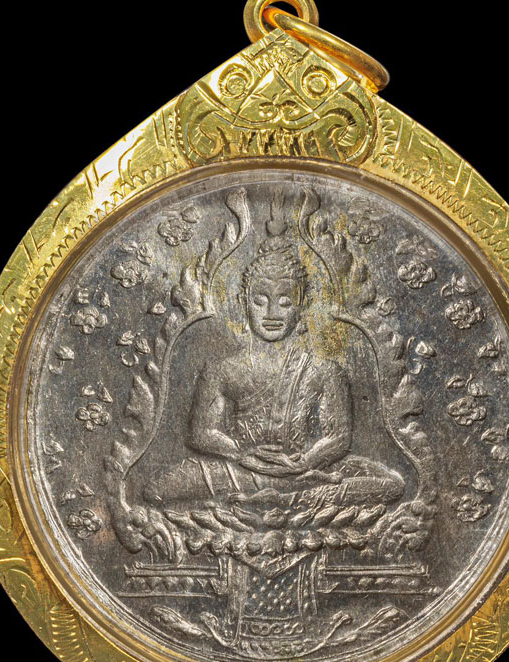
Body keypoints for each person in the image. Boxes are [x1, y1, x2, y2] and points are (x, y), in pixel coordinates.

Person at [143, 214, 405, 512]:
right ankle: (289, 497)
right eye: (260, 301)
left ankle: (282, 496)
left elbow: (338, 438)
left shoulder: (325, 369)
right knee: (157, 489)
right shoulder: (222, 369)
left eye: (284, 302)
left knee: (390, 484)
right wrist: (241, 454)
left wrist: (303, 462)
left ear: (303, 305)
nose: (271, 313)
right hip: (242, 470)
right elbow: (201, 433)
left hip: (303, 469)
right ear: (243, 302)